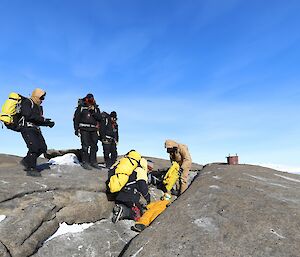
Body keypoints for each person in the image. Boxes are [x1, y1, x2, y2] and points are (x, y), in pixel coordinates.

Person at [19, 88, 55, 177]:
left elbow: (37, 120)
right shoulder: (28, 102)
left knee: (43, 148)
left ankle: (26, 161)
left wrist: (47, 123)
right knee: (34, 147)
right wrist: (43, 119)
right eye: (41, 97)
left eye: (43, 98)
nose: (42, 100)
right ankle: (31, 168)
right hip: (27, 128)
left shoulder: (38, 107)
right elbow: (28, 115)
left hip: (36, 129)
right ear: (36, 95)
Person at [112, 158, 153, 223]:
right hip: (129, 195)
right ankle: (123, 211)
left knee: (129, 204)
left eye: (151, 169)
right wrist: (148, 198)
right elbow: (142, 186)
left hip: (121, 193)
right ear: (145, 165)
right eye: (149, 168)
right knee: (137, 213)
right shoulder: (141, 171)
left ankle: (120, 208)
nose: (149, 170)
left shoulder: (132, 169)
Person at [73, 93, 102, 170]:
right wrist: (76, 129)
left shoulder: (96, 108)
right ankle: (85, 162)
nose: (90, 100)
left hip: (93, 129)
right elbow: (76, 118)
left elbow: (99, 118)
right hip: (84, 129)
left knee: (94, 146)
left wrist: (93, 111)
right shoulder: (81, 107)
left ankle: (93, 162)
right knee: (85, 146)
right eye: (89, 98)